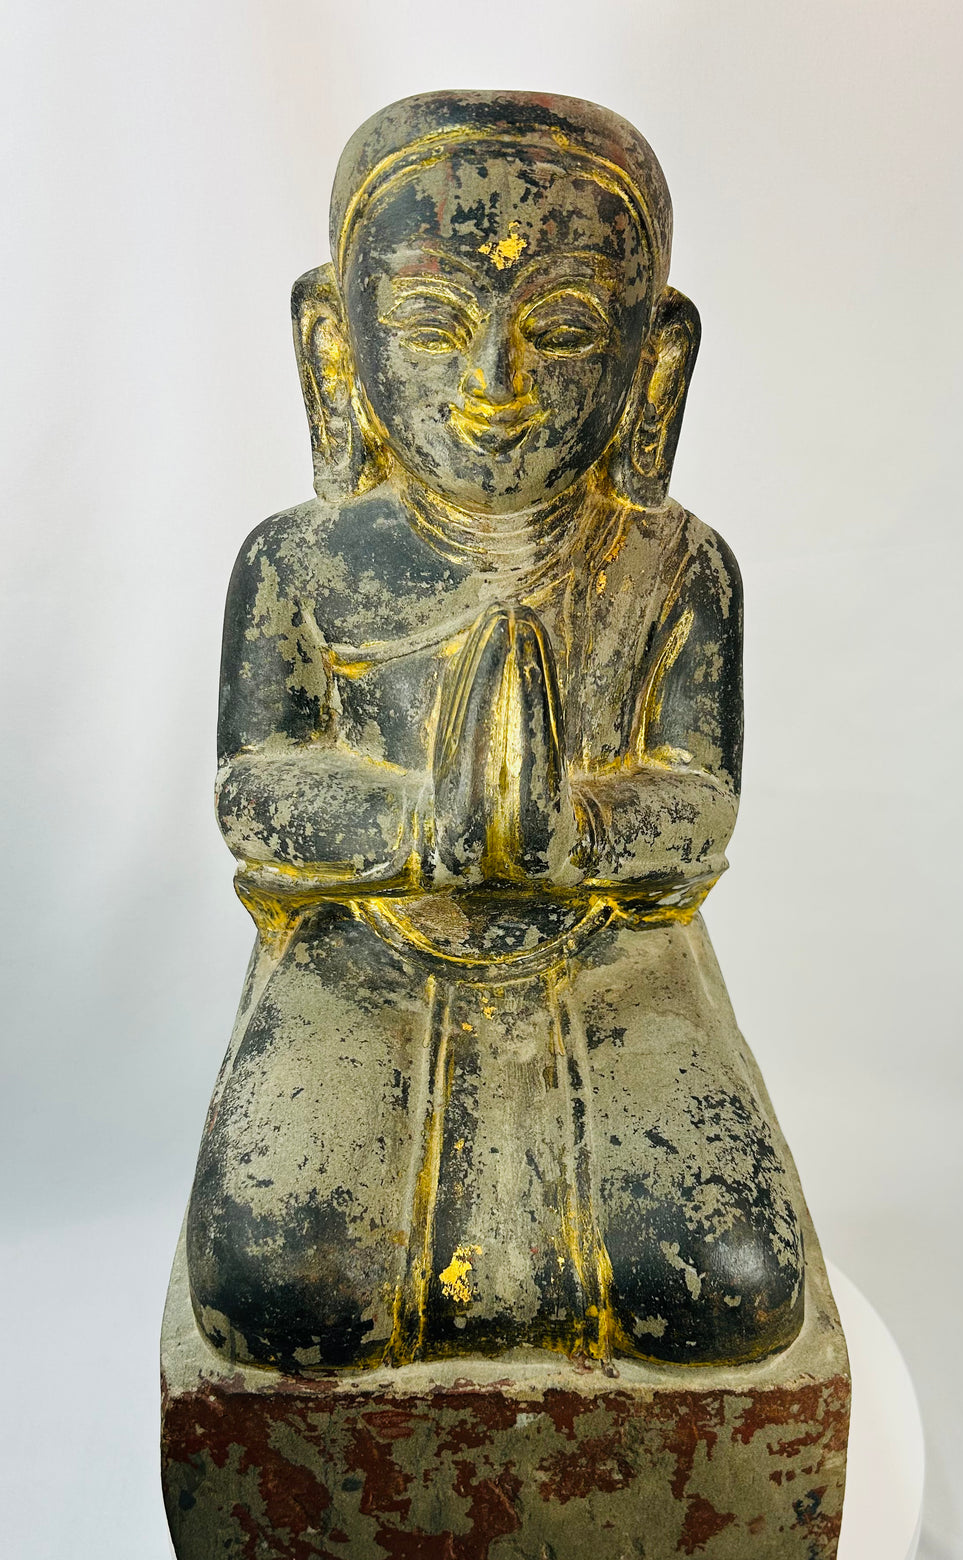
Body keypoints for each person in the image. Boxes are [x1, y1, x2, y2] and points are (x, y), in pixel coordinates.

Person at [186, 91, 806, 1374]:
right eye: (430, 322)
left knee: (721, 1287)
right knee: (283, 1285)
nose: (494, 385)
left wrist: (572, 827)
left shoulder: (672, 569)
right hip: (362, 944)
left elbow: (698, 797)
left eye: (565, 327)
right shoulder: (304, 565)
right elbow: (254, 792)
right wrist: (422, 825)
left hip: (612, 957)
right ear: (332, 343)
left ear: (657, 361)